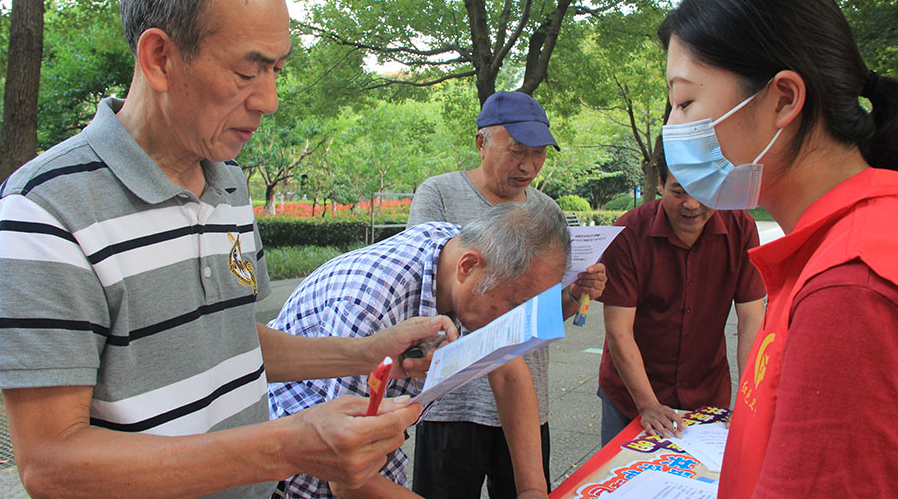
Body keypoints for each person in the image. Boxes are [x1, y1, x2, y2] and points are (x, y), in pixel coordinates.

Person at [0, 0, 451, 499]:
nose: (269, 100)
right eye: (246, 71)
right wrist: (285, 447)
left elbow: (229, 341)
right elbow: (52, 465)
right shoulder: (45, 211)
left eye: (276, 69)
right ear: (160, 58)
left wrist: (365, 352)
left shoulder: (230, 184)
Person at [657, 0, 898, 498]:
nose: (672, 128)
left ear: (784, 99)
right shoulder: (830, 247)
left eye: (685, 102)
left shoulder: (849, 286)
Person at [267, 200, 571, 499]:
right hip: (295, 473)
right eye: (515, 305)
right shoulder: (370, 306)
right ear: (467, 266)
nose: (515, 320)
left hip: (372, 453)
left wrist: (532, 489)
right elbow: (343, 476)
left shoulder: (464, 251)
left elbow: (507, 371)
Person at [407, 90, 607, 499]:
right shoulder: (440, 194)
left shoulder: (545, 212)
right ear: (481, 142)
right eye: (517, 151)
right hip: (452, 404)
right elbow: (422, 293)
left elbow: (537, 314)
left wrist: (574, 295)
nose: (529, 166)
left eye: (539, 154)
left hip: (525, 404)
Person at [596, 150, 766, 445]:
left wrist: (750, 400)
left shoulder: (742, 229)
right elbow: (619, 331)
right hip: (631, 395)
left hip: (706, 394)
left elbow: (752, 321)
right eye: (679, 191)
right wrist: (648, 404)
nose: (692, 204)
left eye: (704, 190)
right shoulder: (627, 233)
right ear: (661, 184)